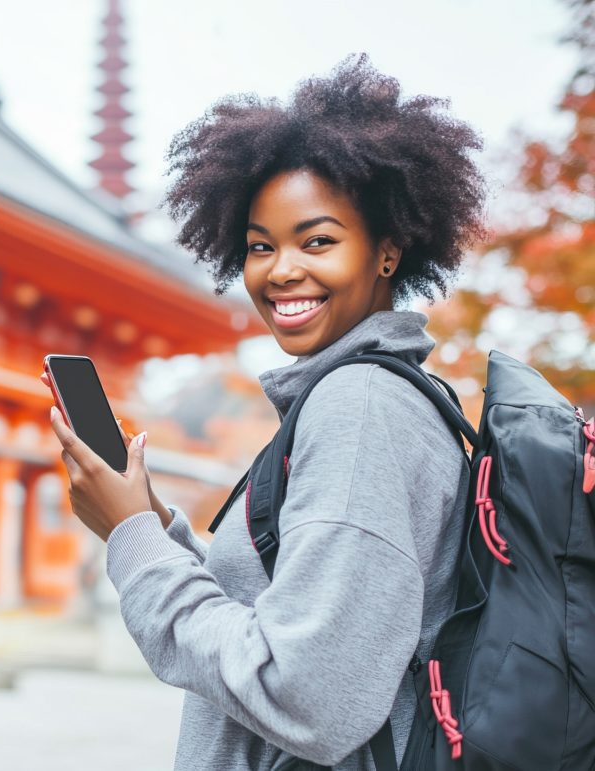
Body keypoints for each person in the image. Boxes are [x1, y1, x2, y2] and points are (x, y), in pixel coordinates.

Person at [44, 52, 489, 769]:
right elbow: (276, 620)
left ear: (388, 251)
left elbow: (308, 695)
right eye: (260, 246)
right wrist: (153, 525)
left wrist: (132, 539)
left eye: (318, 240)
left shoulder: (362, 406)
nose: (282, 270)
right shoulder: (364, 397)